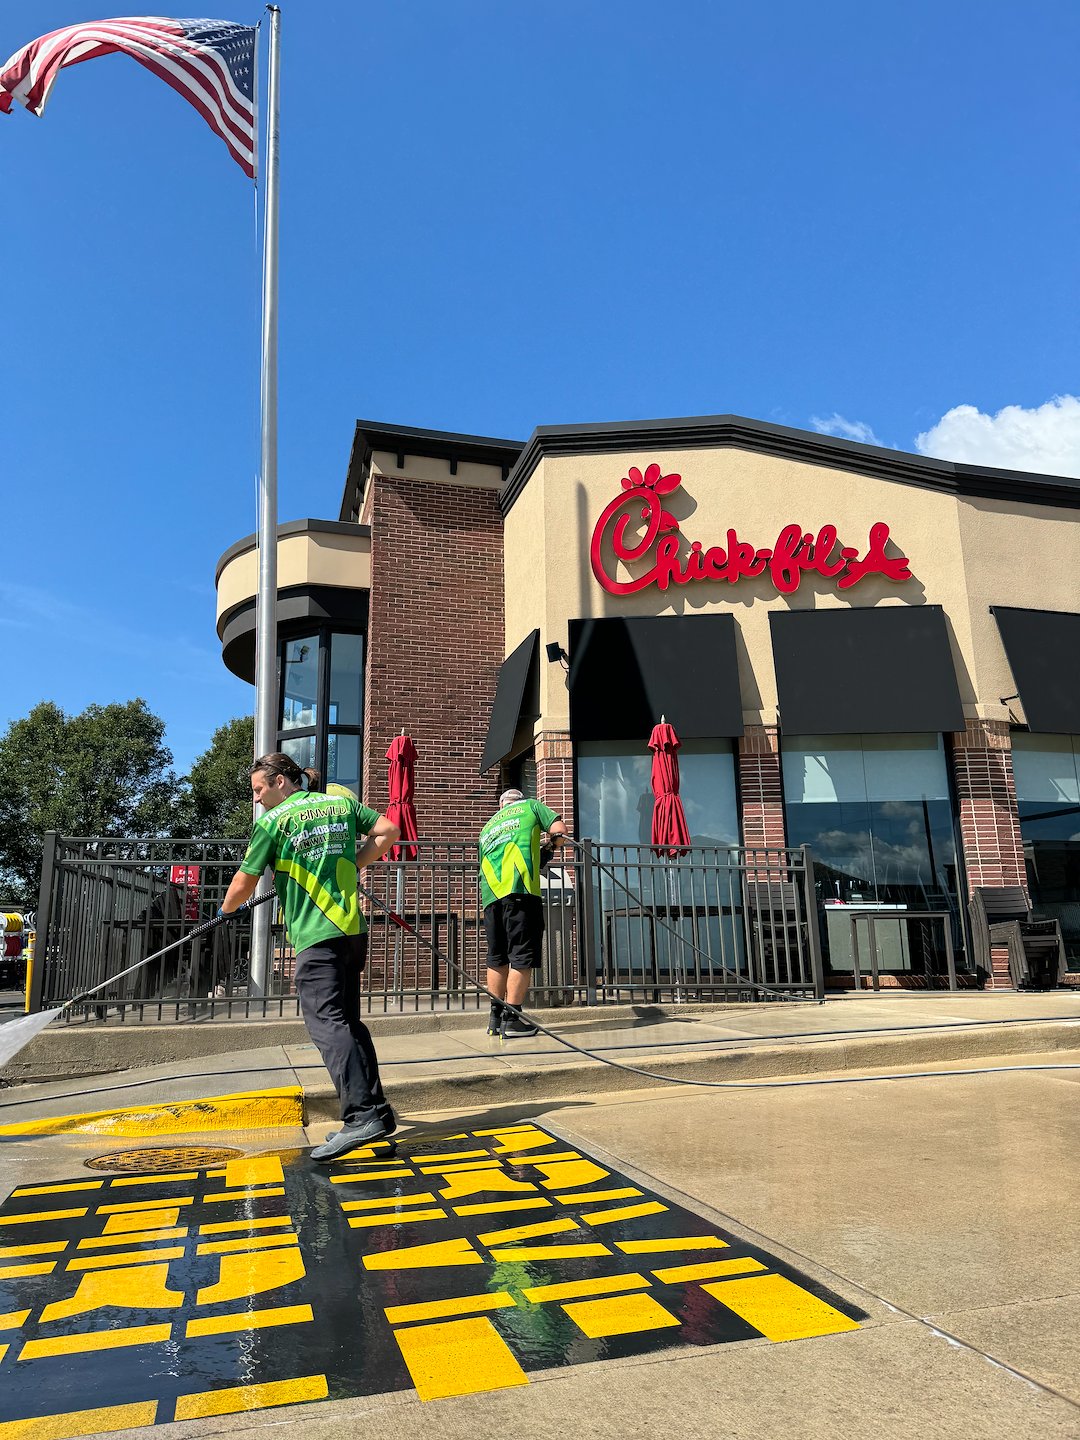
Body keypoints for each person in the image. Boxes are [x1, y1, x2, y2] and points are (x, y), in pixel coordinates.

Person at [220, 753, 400, 1161]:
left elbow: (244, 880)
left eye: (259, 789)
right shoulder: (339, 805)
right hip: (351, 931)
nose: (258, 799)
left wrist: (226, 911)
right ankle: (378, 1113)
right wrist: (353, 864)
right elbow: (388, 830)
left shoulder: (272, 823)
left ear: (282, 781)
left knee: (327, 1025)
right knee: (348, 1022)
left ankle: (362, 1116)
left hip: (315, 936)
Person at [478, 787, 566, 1038]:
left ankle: (495, 1017)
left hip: (491, 897)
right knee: (521, 955)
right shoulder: (530, 806)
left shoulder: (487, 829)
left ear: (501, 806)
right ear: (519, 801)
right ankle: (513, 1019)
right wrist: (553, 844)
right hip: (521, 891)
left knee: (497, 957)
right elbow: (560, 830)